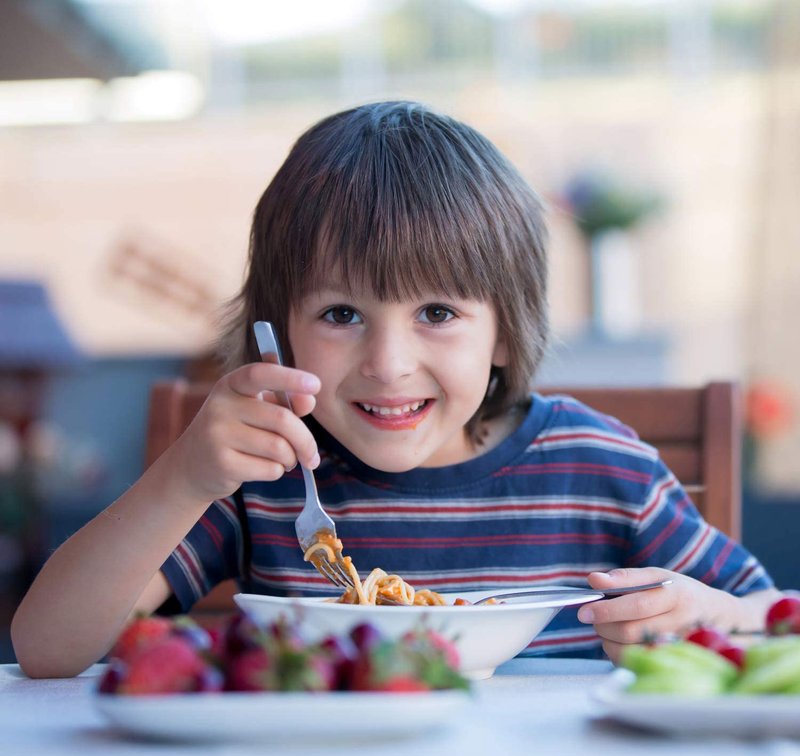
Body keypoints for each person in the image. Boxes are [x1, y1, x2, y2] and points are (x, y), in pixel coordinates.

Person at [12, 101, 782, 678]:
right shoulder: (263, 476)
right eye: (341, 314)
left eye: (437, 313)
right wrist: (182, 480)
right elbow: (48, 651)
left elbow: (777, 617)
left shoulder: (600, 468)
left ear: (504, 332)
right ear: (279, 329)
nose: (387, 363)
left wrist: (715, 617)